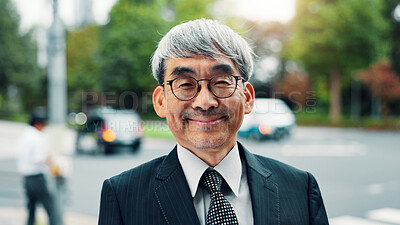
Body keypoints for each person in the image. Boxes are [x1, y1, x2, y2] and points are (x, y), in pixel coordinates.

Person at [98, 18, 329, 225]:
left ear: (247, 97)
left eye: (221, 82)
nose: (205, 102)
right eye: (185, 84)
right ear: (161, 102)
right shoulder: (123, 197)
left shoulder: (300, 189)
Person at [17, 113, 59, 225]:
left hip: (26, 177)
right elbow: (38, 158)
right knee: (51, 207)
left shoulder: (25, 134)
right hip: (37, 177)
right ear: (38, 124)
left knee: (31, 207)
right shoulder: (37, 136)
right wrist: (50, 158)